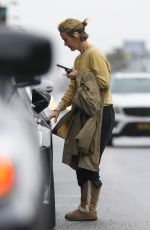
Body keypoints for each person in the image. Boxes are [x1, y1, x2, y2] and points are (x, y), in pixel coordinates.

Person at [49, 18, 115, 221]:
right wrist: (58, 109)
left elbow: (103, 83)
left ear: (76, 36)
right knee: (80, 160)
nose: (65, 44)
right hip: (83, 114)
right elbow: (72, 89)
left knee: (89, 162)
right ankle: (85, 208)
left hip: (99, 114)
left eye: (66, 39)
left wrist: (79, 76)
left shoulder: (94, 54)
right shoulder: (79, 58)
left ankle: (88, 210)